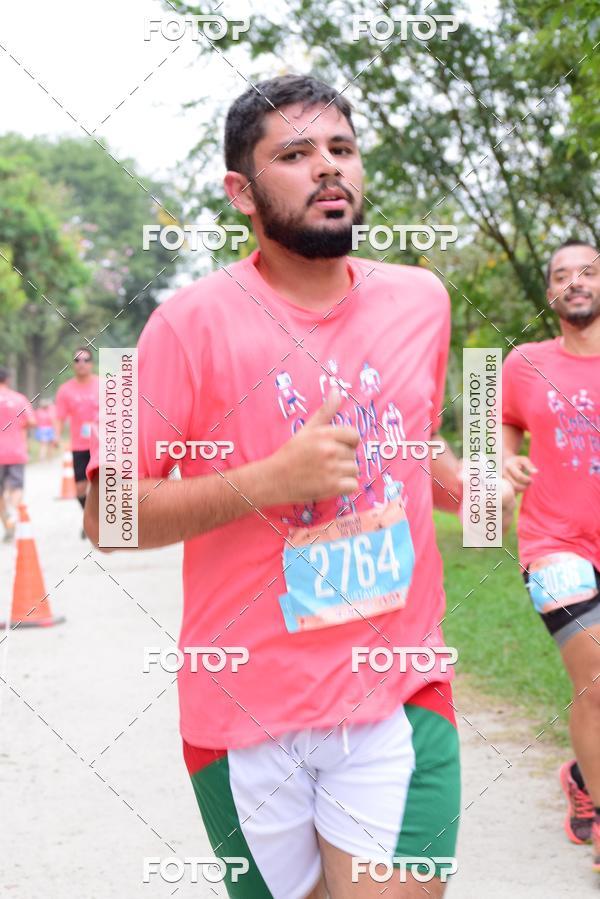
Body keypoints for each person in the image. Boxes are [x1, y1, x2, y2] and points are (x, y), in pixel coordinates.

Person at [86, 75, 465, 898]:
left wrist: (463, 486)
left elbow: (404, 436)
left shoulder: (423, 300)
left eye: (341, 149)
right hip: (246, 713)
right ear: (241, 191)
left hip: (399, 688)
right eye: (294, 154)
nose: (328, 168)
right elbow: (104, 515)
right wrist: (269, 480)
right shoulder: (179, 323)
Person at [502, 239, 600, 871]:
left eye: (587, 272)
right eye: (562, 275)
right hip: (554, 542)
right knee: (594, 681)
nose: (575, 282)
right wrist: (505, 457)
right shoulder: (522, 363)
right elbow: (501, 428)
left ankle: (583, 780)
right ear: (549, 295)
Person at [54, 348, 99, 537]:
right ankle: (91, 519)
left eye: (86, 360)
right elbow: (59, 416)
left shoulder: (104, 385)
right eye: (77, 360)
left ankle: (97, 523)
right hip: (80, 446)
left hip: (104, 444)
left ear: (92, 363)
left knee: (102, 485)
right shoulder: (66, 390)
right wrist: (56, 435)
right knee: (80, 488)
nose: (82, 363)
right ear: (73, 364)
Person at [0, 367, 35, 542]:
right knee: (16, 487)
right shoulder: (19, 399)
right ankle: (12, 511)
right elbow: (31, 421)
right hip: (15, 451)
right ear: (7, 379)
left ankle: (7, 522)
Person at [34, 397, 56, 461]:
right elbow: (53, 421)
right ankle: (49, 458)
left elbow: (35, 421)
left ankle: (43, 458)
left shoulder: (38, 411)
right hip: (48, 429)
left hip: (41, 429)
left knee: (44, 445)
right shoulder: (50, 412)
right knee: (49, 445)